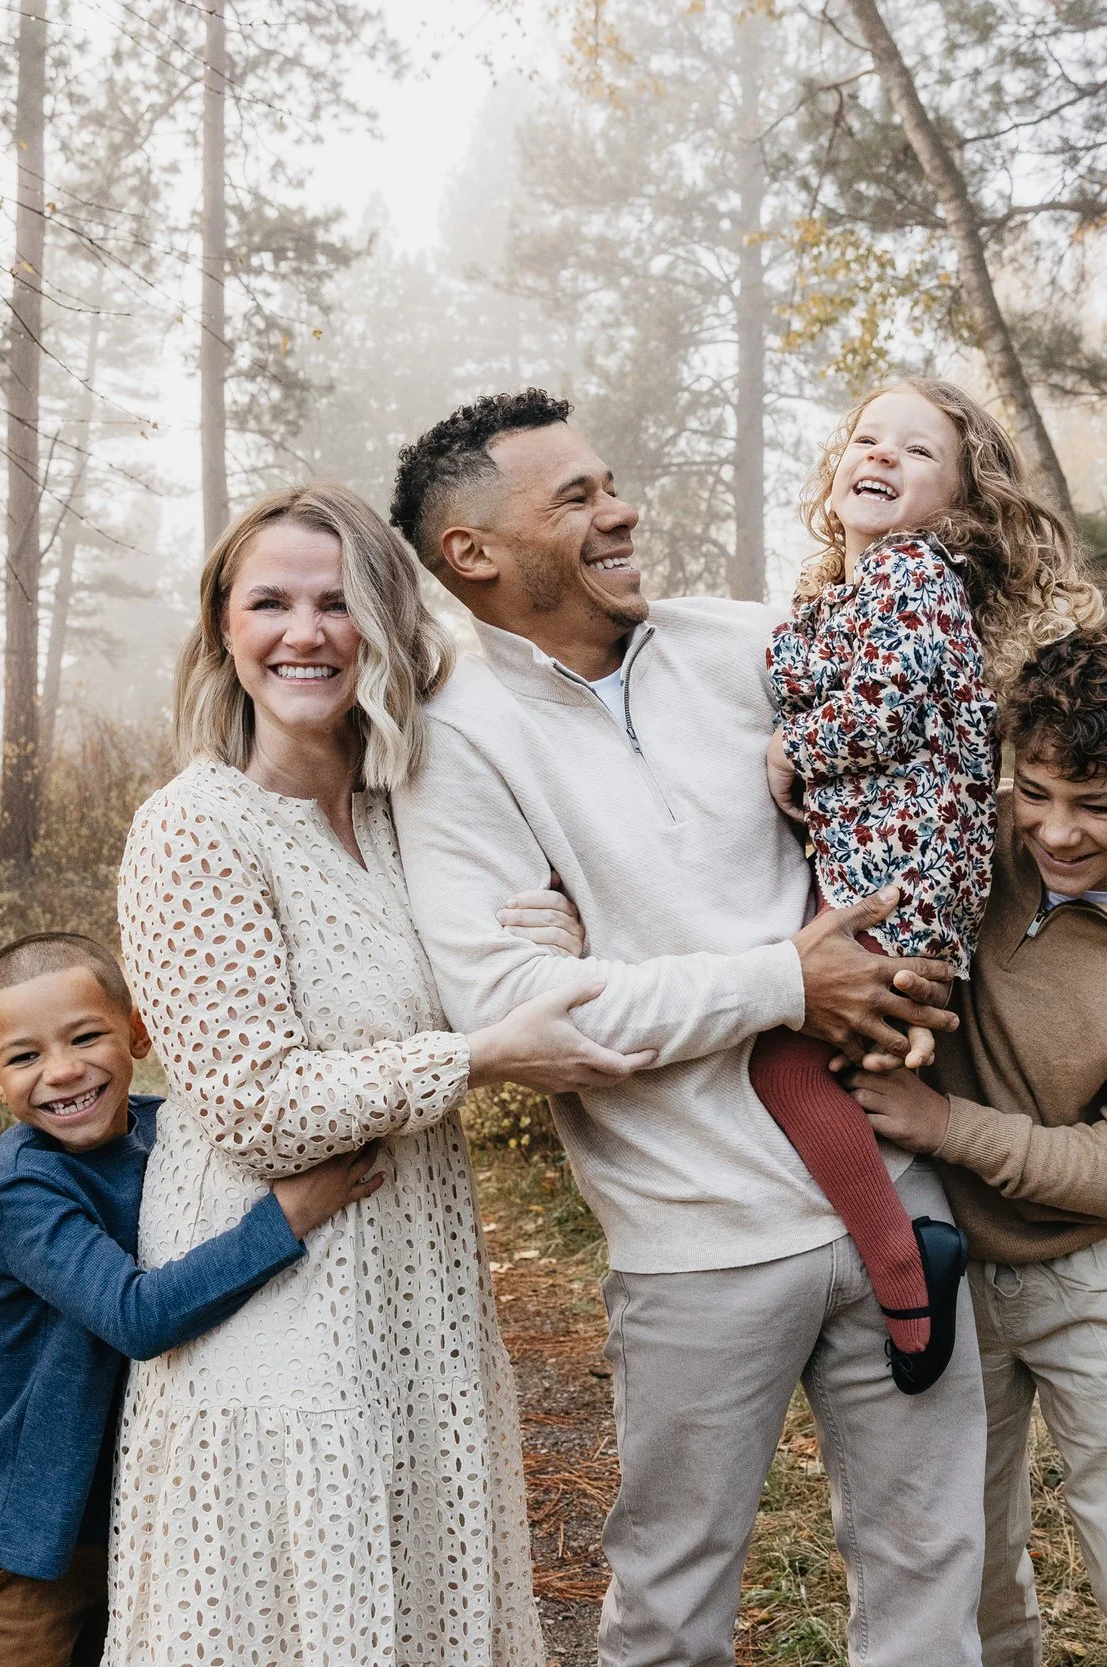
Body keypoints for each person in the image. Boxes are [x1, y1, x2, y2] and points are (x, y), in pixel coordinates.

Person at [387, 389, 988, 1667]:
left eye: (609, 482)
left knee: (934, 1577)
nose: (621, 511)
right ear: (473, 553)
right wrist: (782, 980)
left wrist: (628, 963)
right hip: (696, 1245)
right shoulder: (455, 747)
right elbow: (519, 1014)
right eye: (575, 499)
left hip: (896, 1172)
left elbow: (929, 739)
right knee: (668, 1605)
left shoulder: (751, 644)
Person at [105, 482, 651, 1667]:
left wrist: (540, 953)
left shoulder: (410, 813)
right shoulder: (195, 829)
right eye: (271, 603)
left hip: (420, 1296)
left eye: (339, 600)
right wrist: (479, 1053)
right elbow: (256, 1106)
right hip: (271, 1312)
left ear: (387, 627)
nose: (306, 631)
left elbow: (486, 980)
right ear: (224, 631)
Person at [847, 622, 1107, 1667]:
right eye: (1034, 791)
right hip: (951, 1269)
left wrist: (946, 1125)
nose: (1056, 833)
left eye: (1099, 804)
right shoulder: (972, 848)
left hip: (1098, 1281)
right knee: (963, 1549)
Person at [758, 377, 1100, 1391]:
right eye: (867, 439)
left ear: (956, 503)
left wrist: (791, 748)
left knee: (782, 1059)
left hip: (898, 881)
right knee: (844, 1069)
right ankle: (887, 1247)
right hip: (872, 871)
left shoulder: (913, 573)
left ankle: (905, 1263)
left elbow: (884, 713)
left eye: (914, 452)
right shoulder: (855, 590)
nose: (880, 457)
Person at [0, 931, 383, 1667]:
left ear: (138, 1032)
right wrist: (292, 1214)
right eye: (25, 1056)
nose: (63, 1070)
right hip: (22, 1542)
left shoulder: (168, 1132)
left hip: (133, 1523)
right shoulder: (25, 1182)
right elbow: (137, 1316)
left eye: (86, 1037)